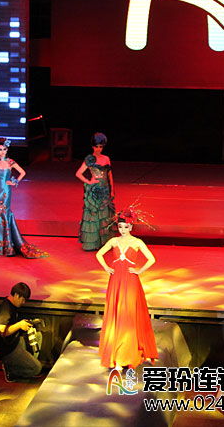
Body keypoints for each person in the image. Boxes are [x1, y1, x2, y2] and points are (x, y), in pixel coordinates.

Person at [96, 207, 158, 369]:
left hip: (130, 281)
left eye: (126, 227)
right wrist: (107, 268)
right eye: (120, 227)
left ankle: (127, 353)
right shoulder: (113, 241)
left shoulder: (137, 242)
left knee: (128, 315)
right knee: (117, 313)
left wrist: (139, 271)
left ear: (131, 227)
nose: (123, 230)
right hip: (116, 280)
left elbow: (151, 259)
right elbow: (99, 254)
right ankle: (117, 354)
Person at [0, 138, 48, 257]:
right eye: (0, 149)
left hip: (5, 191)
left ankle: (6, 244)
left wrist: (14, 182)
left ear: (7, 150)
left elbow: (22, 172)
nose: (2, 152)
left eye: (4, 149)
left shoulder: (11, 163)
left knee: (4, 213)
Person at [77, 132, 117, 251]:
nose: (99, 149)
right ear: (92, 146)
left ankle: (104, 242)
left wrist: (112, 189)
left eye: (101, 147)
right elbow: (78, 173)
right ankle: (93, 243)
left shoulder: (106, 158)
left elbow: (109, 175)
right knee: (94, 216)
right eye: (96, 146)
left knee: (105, 215)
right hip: (94, 191)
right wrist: (89, 182)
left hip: (105, 190)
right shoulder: (90, 159)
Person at [0, 282, 42, 381]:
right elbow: (2, 332)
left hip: (16, 341)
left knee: (37, 336)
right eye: (23, 299)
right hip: (9, 348)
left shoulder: (13, 306)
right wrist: (19, 325)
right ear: (17, 295)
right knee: (37, 368)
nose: (23, 302)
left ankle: (25, 363)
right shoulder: (6, 308)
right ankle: (11, 370)